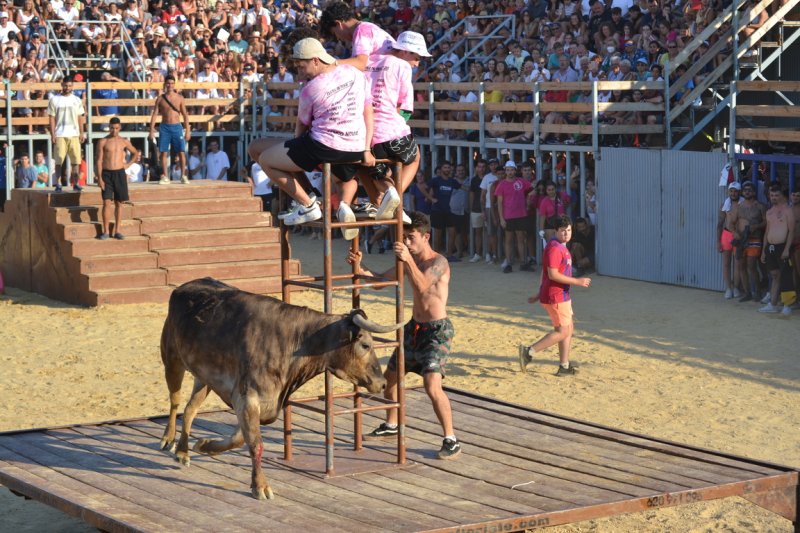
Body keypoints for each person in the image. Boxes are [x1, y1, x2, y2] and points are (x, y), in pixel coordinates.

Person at [349, 212, 461, 460]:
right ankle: (392, 424)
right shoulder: (409, 261)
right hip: (414, 329)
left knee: (432, 385)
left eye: (411, 238)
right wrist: (359, 266)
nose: (407, 243)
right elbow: (379, 282)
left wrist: (407, 259)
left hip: (437, 331)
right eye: (404, 239)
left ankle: (451, 439)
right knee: (390, 379)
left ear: (426, 236)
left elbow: (422, 286)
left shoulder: (438, 262)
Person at [247, 38, 373, 227]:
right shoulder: (355, 73)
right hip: (355, 146)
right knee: (256, 148)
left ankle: (307, 204)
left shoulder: (310, 89)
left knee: (265, 159)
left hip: (324, 146)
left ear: (316, 60)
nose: (299, 72)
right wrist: (365, 148)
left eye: (301, 66)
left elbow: (301, 128)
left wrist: (291, 153)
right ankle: (312, 197)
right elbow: (367, 110)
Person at [363, 31, 430, 223]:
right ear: (406, 52)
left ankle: (388, 196)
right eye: (417, 57)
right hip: (392, 132)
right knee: (414, 156)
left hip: (367, 135)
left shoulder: (368, 61)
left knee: (379, 174)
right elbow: (406, 106)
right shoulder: (402, 66)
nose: (418, 63)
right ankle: (395, 198)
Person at [519, 215, 592, 376]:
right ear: (556, 231)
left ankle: (564, 366)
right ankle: (529, 352)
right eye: (562, 231)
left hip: (560, 295)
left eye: (568, 230)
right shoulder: (555, 248)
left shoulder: (559, 246)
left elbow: (545, 274)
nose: (566, 233)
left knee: (568, 328)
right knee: (563, 331)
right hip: (556, 295)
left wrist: (539, 293)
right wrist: (577, 281)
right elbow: (552, 274)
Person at [95, 117, 139, 240]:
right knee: (106, 202)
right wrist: (99, 178)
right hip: (107, 173)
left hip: (119, 173)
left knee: (119, 203)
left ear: (120, 128)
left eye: (116, 128)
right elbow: (98, 161)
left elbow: (135, 153)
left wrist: (128, 165)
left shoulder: (124, 141)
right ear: (109, 127)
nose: (114, 130)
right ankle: (105, 231)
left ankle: (117, 230)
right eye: (112, 128)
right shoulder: (103, 141)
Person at [320, 1, 395, 72]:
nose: (338, 38)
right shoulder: (363, 28)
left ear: (338, 24)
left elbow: (360, 64)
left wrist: (331, 64)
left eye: (334, 33)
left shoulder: (362, 30)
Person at [148, 74, 190, 185]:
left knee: (181, 151)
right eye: (168, 83)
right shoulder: (160, 98)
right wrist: (151, 130)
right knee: (163, 152)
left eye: (172, 83)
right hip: (165, 127)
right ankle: (165, 176)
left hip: (177, 126)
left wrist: (188, 130)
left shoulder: (180, 98)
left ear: (174, 84)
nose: (170, 85)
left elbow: (185, 115)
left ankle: (183, 175)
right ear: (165, 84)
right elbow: (155, 114)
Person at [759, 184, 794, 315]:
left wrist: (786, 249)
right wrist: (764, 250)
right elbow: (767, 231)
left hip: (782, 247)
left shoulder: (787, 210)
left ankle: (787, 304)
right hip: (771, 247)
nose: (774, 197)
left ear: (781, 195)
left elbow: (791, 231)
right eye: (772, 195)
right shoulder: (769, 212)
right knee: (774, 275)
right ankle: (773, 303)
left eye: (776, 195)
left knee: (785, 275)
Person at [47, 75, 86, 192]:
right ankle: (58, 184)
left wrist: (82, 132)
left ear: (72, 86)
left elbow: (80, 118)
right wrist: (53, 134)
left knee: (75, 161)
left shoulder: (77, 100)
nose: (67, 87)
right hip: (60, 134)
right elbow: (51, 118)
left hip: (74, 133)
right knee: (58, 161)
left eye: (69, 85)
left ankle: (76, 183)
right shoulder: (54, 99)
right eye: (65, 85)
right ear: (62, 85)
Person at [729, 180, 766, 303]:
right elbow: (730, 223)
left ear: (754, 192)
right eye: (745, 190)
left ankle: (758, 292)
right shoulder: (739, 207)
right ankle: (747, 292)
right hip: (740, 240)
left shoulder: (760, 206)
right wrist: (735, 233)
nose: (747, 192)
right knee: (741, 266)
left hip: (754, 239)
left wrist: (757, 226)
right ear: (742, 192)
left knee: (751, 266)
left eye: (749, 190)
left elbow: (766, 222)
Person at [495, 160, 533, 274]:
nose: (510, 172)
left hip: (521, 214)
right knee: (509, 240)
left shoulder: (521, 181)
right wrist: (501, 218)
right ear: (505, 171)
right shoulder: (502, 184)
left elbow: (532, 189)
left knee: (521, 239)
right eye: (508, 170)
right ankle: (508, 263)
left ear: (515, 171)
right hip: (508, 216)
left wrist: (529, 198)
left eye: (512, 170)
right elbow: (499, 203)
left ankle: (523, 262)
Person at [717, 181, 743, 299]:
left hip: (739, 236)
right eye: (731, 191)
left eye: (735, 191)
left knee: (738, 264)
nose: (733, 193)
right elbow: (720, 224)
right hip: (726, 234)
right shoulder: (725, 205)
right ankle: (728, 288)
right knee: (726, 263)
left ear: (739, 192)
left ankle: (736, 287)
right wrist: (718, 241)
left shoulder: (743, 204)